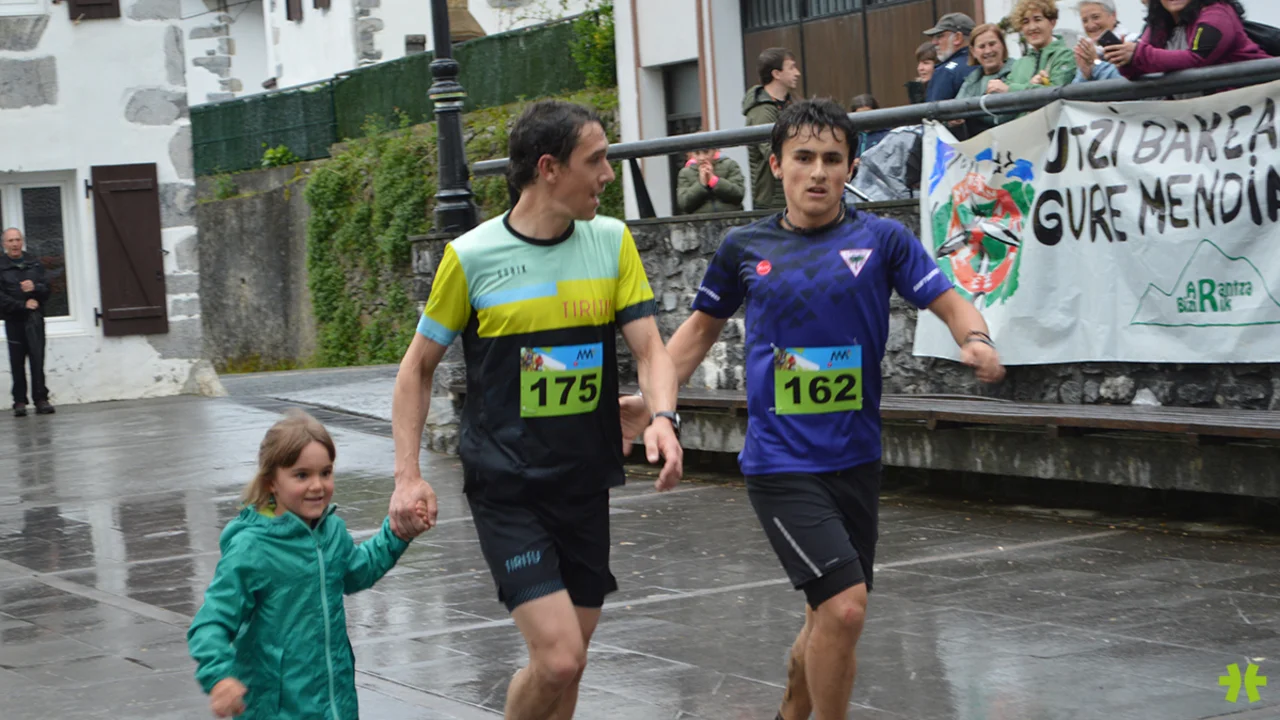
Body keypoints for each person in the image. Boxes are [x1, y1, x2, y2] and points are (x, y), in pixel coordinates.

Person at [621, 99, 1005, 720]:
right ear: (777, 165)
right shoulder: (744, 247)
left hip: (856, 459)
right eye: (803, 157)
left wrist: (976, 338)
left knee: (827, 614)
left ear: (851, 166)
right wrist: (652, 403)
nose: (819, 172)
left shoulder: (882, 239)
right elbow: (695, 334)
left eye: (832, 158)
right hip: (780, 463)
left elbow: (949, 299)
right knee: (845, 607)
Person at [389, 99, 683, 720]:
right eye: (595, 160)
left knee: (569, 664)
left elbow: (651, 350)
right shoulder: (471, 256)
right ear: (549, 168)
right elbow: (416, 369)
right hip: (508, 487)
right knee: (558, 659)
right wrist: (407, 475)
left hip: (585, 481)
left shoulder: (612, 243)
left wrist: (663, 417)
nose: (608, 174)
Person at [187, 410, 428, 719]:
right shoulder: (252, 548)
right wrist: (219, 677)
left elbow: (359, 571)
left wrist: (398, 533)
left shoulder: (331, 532)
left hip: (336, 705)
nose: (317, 485)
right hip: (275, 711)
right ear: (271, 482)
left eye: (325, 473)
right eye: (302, 475)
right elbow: (211, 622)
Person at [1107, 0, 1267, 84]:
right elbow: (1140, 64)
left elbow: (1197, 58)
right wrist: (1125, 60)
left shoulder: (1217, 14)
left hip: (1253, 105)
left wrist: (1137, 54)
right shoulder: (1159, 23)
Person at [0, 228, 53, 417]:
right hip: (14, 320)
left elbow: (47, 290)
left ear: (22, 242)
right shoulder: (1, 266)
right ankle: (19, 401)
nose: (15, 244)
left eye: (17, 240)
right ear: (4, 244)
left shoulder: (34, 264)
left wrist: (35, 287)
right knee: (17, 361)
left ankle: (41, 399)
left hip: (35, 319)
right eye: (10, 241)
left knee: (37, 359)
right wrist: (22, 305)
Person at [744, 47, 801, 210]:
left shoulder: (792, 104)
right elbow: (771, 150)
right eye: (791, 67)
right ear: (776, 74)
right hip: (773, 200)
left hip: (792, 193)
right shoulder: (761, 111)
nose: (797, 73)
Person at [987, 0, 1076, 96]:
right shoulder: (1019, 64)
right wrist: (1031, 86)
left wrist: (1010, 89)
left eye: (1037, 19)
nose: (1032, 27)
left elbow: (1057, 92)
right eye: (1026, 22)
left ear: (1052, 22)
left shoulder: (1066, 56)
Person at [956, 23, 1016, 137]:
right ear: (973, 51)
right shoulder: (970, 82)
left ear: (1003, 45)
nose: (988, 51)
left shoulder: (1019, 70)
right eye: (982, 46)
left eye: (992, 44)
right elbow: (954, 111)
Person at [1072, 0, 1137, 82]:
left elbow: (1123, 80)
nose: (1090, 25)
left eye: (1096, 17)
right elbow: (1076, 88)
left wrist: (1096, 63)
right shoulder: (1088, 52)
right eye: (1085, 21)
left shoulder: (1132, 45)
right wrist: (1085, 75)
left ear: (1113, 16)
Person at [923, 12, 976, 102]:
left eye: (939, 36)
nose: (934, 42)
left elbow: (934, 109)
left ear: (957, 38)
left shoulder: (946, 72)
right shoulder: (984, 64)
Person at [676, 148, 745, 215]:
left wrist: (714, 181)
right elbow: (684, 203)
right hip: (700, 220)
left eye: (706, 152)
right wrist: (701, 184)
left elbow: (738, 194)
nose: (702, 158)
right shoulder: (685, 173)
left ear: (715, 151)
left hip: (730, 218)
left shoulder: (730, 165)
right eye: (697, 153)